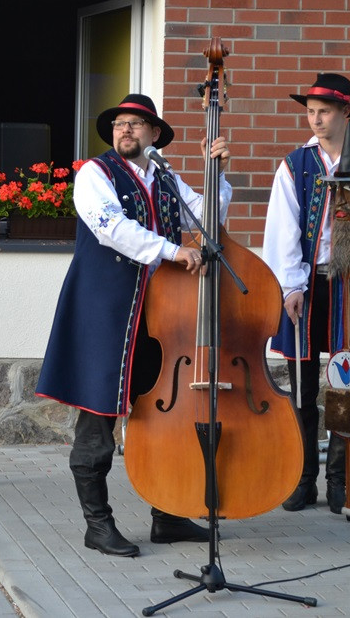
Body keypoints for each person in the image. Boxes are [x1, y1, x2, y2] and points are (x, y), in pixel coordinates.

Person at [36, 94, 231, 557]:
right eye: (120, 123)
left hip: (158, 317)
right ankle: (97, 524)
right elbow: (111, 227)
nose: (126, 130)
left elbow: (207, 219)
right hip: (104, 314)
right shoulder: (94, 174)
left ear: (154, 134)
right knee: (99, 418)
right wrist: (173, 251)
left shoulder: (165, 178)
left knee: (162, 421)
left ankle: (167, 516)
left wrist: (216, 174)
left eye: (137, 124)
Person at [262, 73, 350, 513]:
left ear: (346, 113)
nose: (316, 119)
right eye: (310, 111)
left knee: (346, 385)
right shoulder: (294, 165)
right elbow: (281, 233)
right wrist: (290, 286)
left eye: (324, 111)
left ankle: (339, 481)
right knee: (303, 389)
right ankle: (301, 479)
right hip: (305, 286)